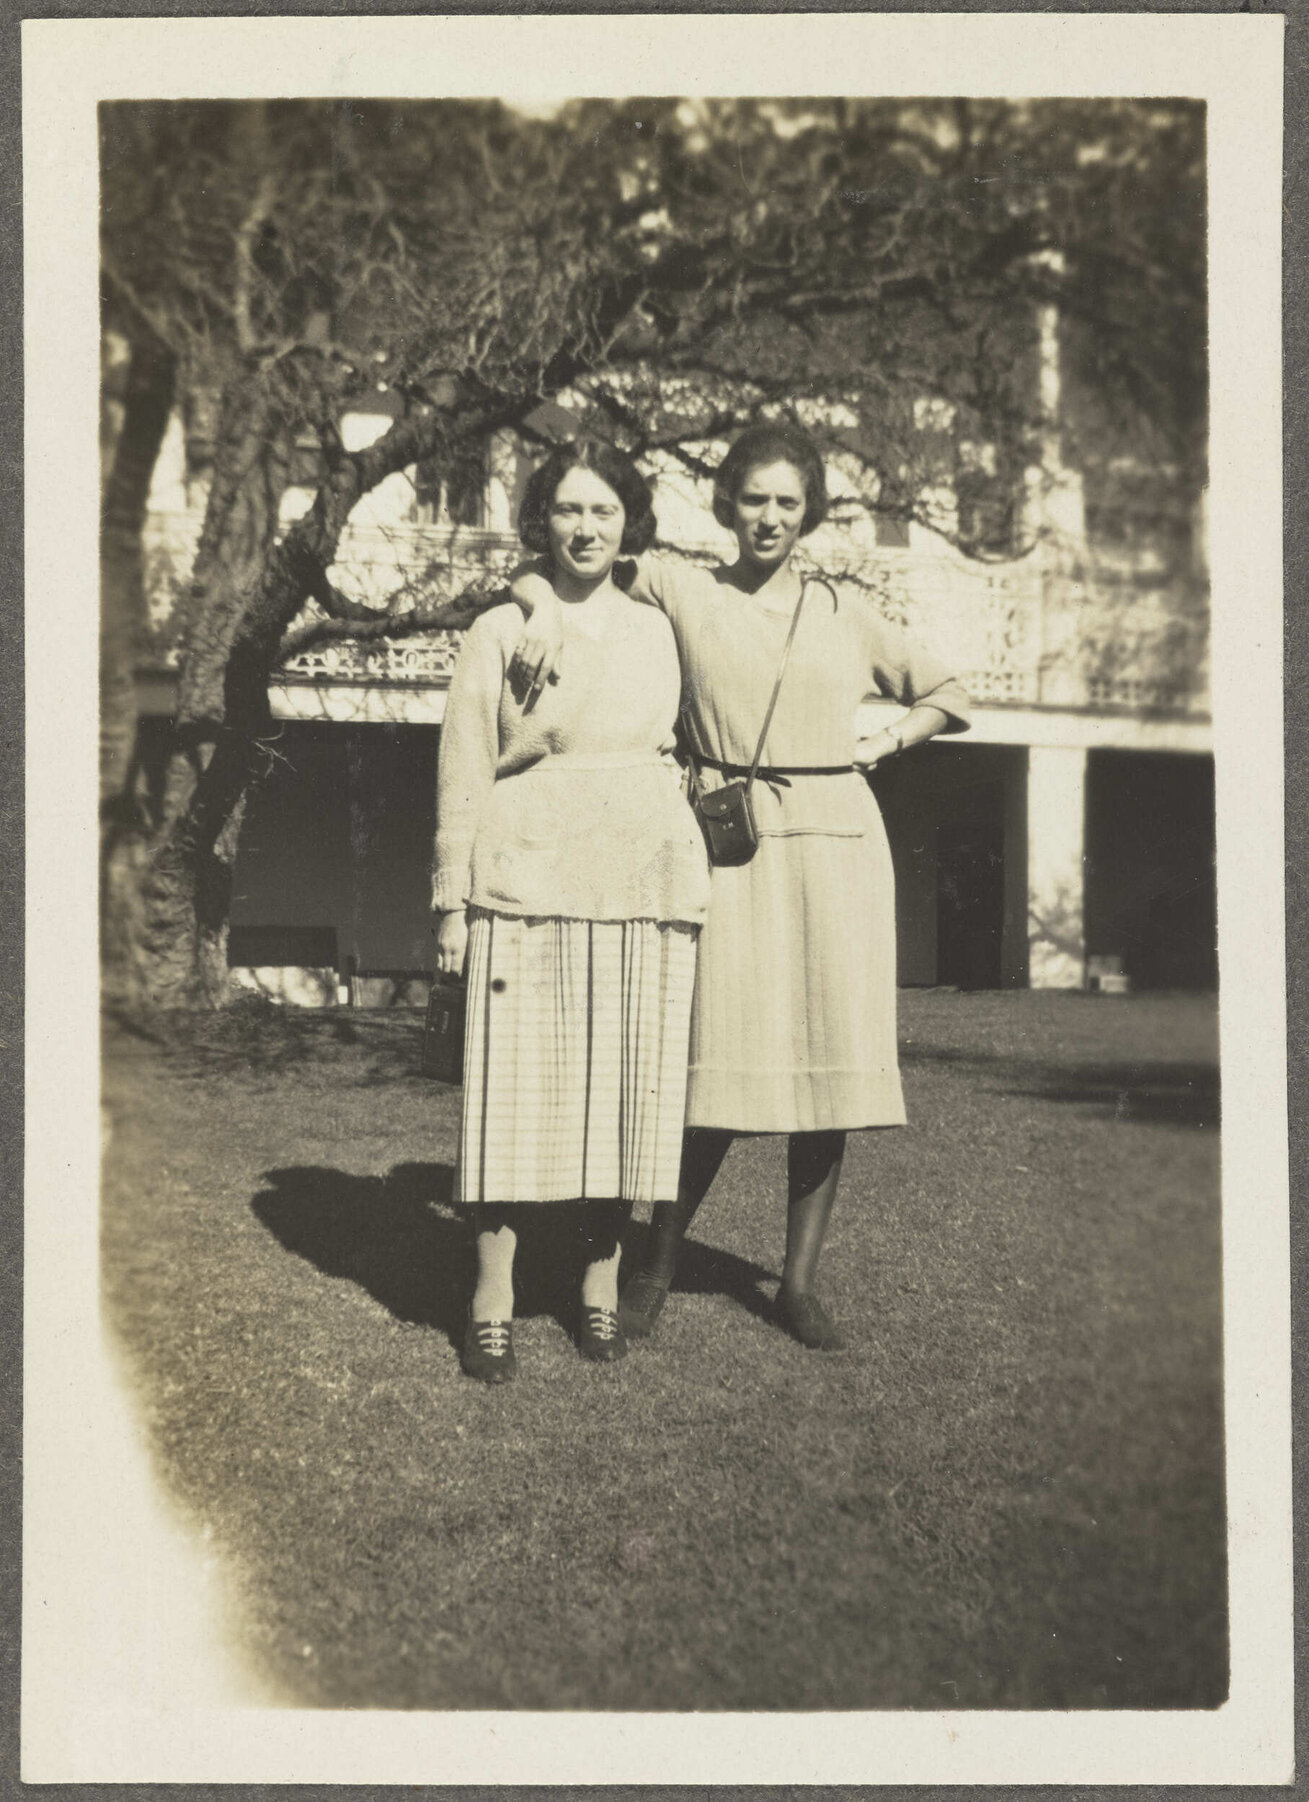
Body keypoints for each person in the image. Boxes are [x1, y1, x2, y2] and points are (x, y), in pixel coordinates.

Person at [508, 420, 971, 1352]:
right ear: (727, 504)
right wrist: (544, 614)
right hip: (731, 848)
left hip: (838, 847)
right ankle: (655, 1269)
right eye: (752, 498)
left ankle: (796, 1286)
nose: (768, 517)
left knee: (829, 1074)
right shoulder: (682, 585)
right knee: (712, 1066)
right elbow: (554, 572)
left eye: (786, 502)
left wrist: (884, 739)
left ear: (808, 514)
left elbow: (948, 691)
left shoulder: (843, 607)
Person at [432, 440, 709, 1383]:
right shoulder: (499, 630)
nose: (584, 528)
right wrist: (452, 901)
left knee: (626, 1097)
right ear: (539, 521)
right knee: (510, 1101)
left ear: (628, 522)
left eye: (602, 511)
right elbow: (464, 765)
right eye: (566, 511)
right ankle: (493, 1297)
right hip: (526, 877)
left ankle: (598, 1288)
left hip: (642, 880)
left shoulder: (657, 627)